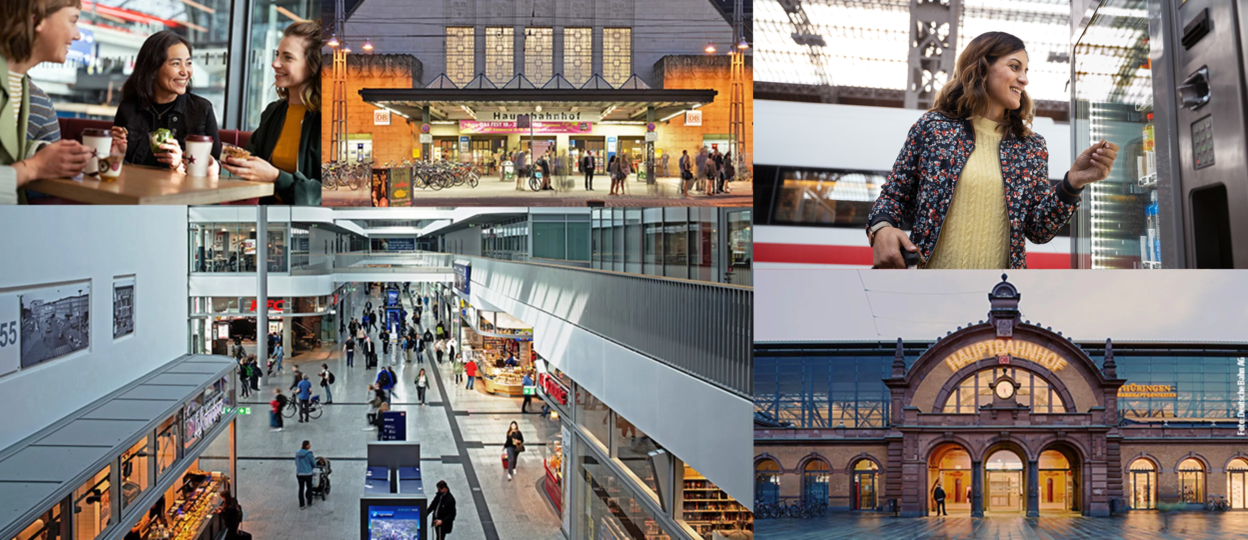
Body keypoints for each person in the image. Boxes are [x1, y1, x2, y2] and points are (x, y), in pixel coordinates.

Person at [868, 31, 1118, 270]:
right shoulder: (932, 128)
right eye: (1014, 66)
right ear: (982, 68)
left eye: (1026, 70)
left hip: (999, 293)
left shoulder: (1031, 147)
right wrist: (881, 227)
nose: (1025, 79)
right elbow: (893, 197)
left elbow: (1038, 230)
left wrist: (1072, 183)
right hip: (929, 286)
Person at [1, 0, 94, 205]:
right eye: (73, 21)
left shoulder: (19, 83)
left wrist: (41, 154)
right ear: (37, 19)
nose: (77, 35)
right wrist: (34, 167)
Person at [221, 21, 321, 205]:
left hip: (313, 225)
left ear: (312, 67)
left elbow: (328, 195)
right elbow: (248, 162)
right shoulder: (273, 112)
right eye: (277, 55)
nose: (275, 63)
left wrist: (277, 177)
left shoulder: (326, 121)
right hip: (269, 220)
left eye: (288, 57)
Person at [113, 31, 222, 174]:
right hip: (135, 192)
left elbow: (216, 168)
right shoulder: (128, 109)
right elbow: (118, 170)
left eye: (188, 63)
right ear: (153, 69)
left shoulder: (201, 109)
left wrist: (180, 166)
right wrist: (117, 156)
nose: (185, 71)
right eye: (176, 63)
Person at [295, 441, 316, 509]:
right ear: (306, 446)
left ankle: (302, 504)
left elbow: (296, 462)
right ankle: (309, 501)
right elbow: (313, 464)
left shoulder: (297, 453)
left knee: (301, 489)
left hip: (299, 473)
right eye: (309, 444)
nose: (310, 445)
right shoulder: (309, 454)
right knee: (309, 487)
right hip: (308, 474)